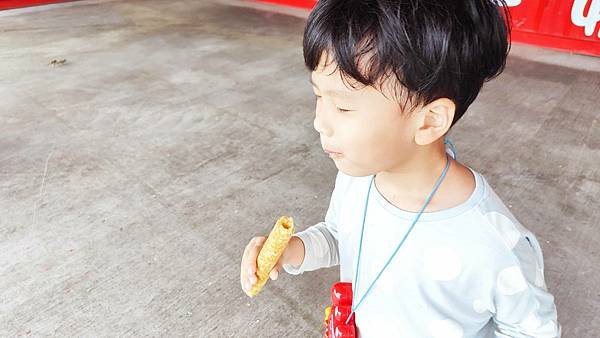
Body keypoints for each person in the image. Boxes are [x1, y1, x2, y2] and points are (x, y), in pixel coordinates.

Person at [240, 0, 560, 336]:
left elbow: (530, 330)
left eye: (344, 107)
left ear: (429, 121)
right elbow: (339, 234)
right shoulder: (356, 178)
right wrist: (292, 250)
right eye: (319, 96)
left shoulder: (495, 246)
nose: (320, 122)